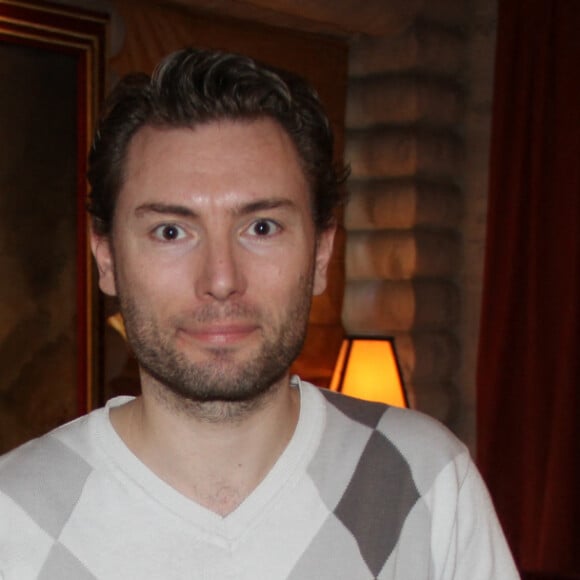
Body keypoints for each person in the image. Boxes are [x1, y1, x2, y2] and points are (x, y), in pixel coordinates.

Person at [0, 48, 519, 579]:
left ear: (320, 254)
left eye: (262, 227)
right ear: (106, 259)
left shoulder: (424, 482)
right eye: (171, 231)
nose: (221, 279)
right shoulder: (13, 519)